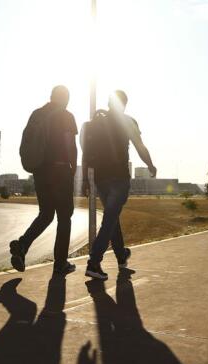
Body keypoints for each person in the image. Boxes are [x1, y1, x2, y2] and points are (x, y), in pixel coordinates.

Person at [84, 90, 156, 280]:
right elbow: (140, 146)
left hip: (101, 178)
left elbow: (86, 149)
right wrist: (150, 164)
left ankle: (121, 256)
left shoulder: (97, 122)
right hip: (119, 178)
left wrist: (85, 178)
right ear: (124, 104)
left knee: (112, 218)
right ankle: (94, 262)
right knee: (109, 220)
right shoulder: (127, 121)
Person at [10, 86, 78, 276]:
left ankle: (22, 246)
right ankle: (60, 264)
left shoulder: (37, 114)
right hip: (60, 170)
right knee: (65, 217)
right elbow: (70, 145)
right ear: (65, 99)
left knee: (46, 214)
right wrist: (72, 170)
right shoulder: (66, 116)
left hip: (40, 172)